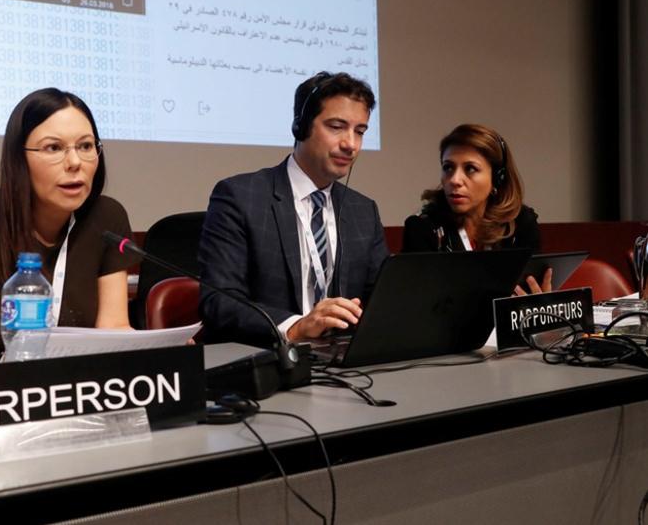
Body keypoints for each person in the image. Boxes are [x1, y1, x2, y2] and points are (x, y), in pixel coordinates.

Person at [0, 88, 138, 369]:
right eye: (53, 148)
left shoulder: (107, 217)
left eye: (85, 146)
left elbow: (114, 328)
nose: (75, 163)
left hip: (78, 387)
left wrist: (160, 348)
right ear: (19, 158)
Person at [198, 72, 389, 348]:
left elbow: (381, 299)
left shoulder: (363, 211)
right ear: (300, 126)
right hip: (269, 361)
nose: (351, 144)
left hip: (345, 365)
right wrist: (296, 327)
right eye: (337, 126)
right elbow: (220, 302)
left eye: (359, 131)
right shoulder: (240, 198)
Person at [402, 123, 550, 294]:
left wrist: (540, 305)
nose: (455, 180)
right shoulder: (423, 228)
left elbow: (532, 291)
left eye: (470, 169)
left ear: (497, 178)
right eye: (448, 167)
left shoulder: (521, 222)